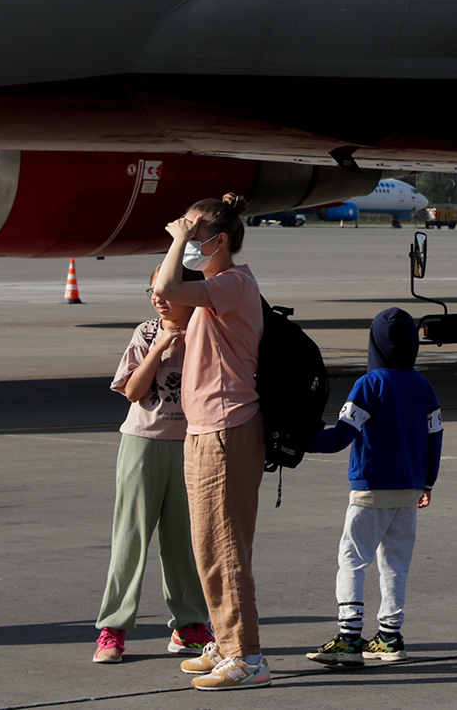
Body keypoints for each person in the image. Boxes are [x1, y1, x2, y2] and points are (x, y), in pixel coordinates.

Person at [151, 193, 270, 691]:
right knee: (207, 547)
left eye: (198, 233)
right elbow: (166, 298)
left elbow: (169, 284)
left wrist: (178, 239)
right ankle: (224, 643)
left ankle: (249, 658)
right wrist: (176, 256)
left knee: (225, 547)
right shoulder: (209, 290)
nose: (188, 238)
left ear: (220, 241)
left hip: (228, 428)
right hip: (203, 430)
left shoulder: (234, 284)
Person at [305, 308, 444, 667]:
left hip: (370, 488)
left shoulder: (369, 384)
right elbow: (435, 439)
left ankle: (350, 637)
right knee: (395, 563)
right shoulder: (424, 386)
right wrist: (427, 481)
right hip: (410, 489)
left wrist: (302, 440)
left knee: (353, 559)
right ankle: (389, 636)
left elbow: (341, 436)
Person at [92, 280, 212, 665]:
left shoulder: (209, 330)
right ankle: (113, 627)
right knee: (131, 537)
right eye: (152, 291)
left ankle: (190, 623)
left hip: (190, 444)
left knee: (185, 540)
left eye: (166, 290)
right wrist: (160, 347)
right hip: (143, 442)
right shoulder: (145, 332)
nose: (158, 298)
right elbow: (132, 392)